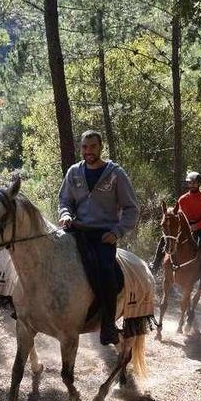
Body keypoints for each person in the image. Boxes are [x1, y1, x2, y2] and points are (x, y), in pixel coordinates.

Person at [58, 130, 139, 345]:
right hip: (76, 230)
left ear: (100, 147)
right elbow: (64, 200)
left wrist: (116, 232)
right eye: (84, 147)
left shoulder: (115, 174)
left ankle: (108, 326)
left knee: (106, 273)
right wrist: (65, 214)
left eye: (92, 147)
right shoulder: (74, 172)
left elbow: (132, 209)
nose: (88, 151)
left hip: (103, 236)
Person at [150, 172, 201, 288]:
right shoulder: (182, 199)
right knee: (164, 240)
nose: (192, 185)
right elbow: (177, 215)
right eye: (190, 182)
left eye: (194, 183)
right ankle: (154, 267)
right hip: (184, 227)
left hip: (200, 228)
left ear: (199, 183)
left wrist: (195, 226)